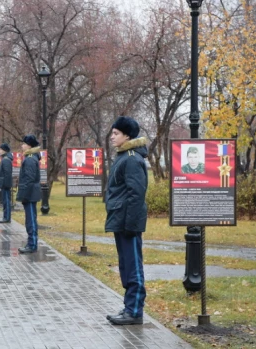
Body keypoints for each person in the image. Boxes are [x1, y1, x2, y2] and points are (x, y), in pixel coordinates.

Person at [105, 116, 148, 326]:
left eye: (116, 133)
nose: (112, 137)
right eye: (112, 133)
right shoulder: (123, 156)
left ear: (127, 136)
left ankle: (135, 311)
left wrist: (131, 225)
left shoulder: (131, 158)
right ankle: (129, 307)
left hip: (127, 222)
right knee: (125, 266)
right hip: (120, 219)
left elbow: (136, 194)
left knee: (133, 267)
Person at [16, 135, 42, 254]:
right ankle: (31, 243)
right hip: (30, 192)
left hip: (30, 193)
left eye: (24, 143)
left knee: (31, 220)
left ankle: (32, 244)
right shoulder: (30, 157)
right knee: (30, 219)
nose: (22, 146)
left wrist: (24, 194)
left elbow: (29, 178)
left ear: (29, 145)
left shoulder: (30, 158)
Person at [0, 143, 13, 223]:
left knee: (6, 201)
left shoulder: (6, 160)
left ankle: (6, 217)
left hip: (5, 184)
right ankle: (5, 216)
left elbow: (7, 173)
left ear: (4, 150)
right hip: (4, 183)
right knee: (5, 201)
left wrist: (6, 185)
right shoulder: (5, 159)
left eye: (0, 149)